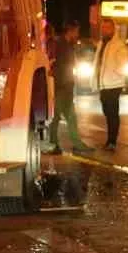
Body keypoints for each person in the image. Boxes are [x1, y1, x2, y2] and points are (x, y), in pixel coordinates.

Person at [47, 22, 91, 155]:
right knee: (55, 117)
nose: (77, 35)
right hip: (61, 86)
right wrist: (60, 83)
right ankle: (53, 144)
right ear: (70, 31)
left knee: (71, 117)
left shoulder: (67, 45)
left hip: (66, 86)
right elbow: (54, 65)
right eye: (76, 32)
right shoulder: (59, 45)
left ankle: (76, 144)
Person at [92, 18, 128, 151]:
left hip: (114, 84)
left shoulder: (119, 45)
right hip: (103, 84)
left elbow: (122, 64)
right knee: (107, 112)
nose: (104, 30)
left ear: (113, 29)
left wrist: (116, 71)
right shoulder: (101, 43)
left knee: (112, 113)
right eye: (103, 28)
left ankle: (112, 142)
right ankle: (110, 140)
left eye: (107, 27)